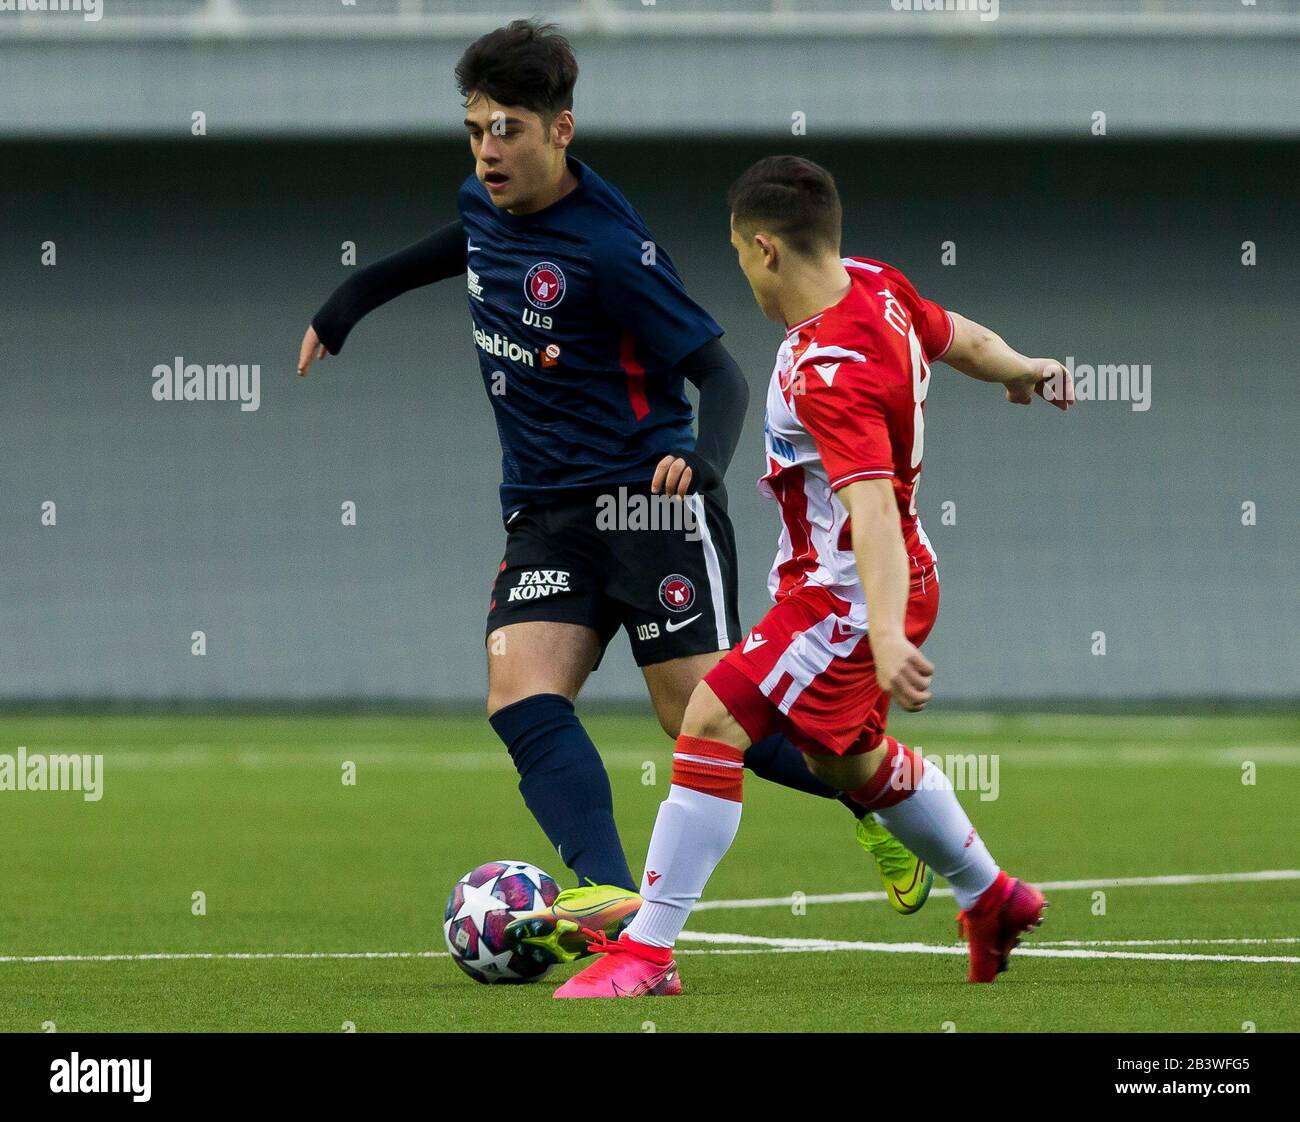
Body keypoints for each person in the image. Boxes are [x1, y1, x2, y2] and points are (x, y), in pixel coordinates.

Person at [297, 24, 931, 969]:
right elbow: (460, 242)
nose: (487, 150)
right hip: (547, 514)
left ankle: (867, 797)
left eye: (507, 129)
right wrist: (346, 304)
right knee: (518, 694)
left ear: (561, 130)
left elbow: (719, 375)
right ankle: (611, 887)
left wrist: (706, 464)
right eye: (474, 128)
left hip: (652, 511)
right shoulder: (486, 201)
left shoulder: (611, 248)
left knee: (701, 719)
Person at [555, 155, 1073, 998]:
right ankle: (993, 896)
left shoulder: (826, 369)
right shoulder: (879, 284)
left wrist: (881, 627)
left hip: (845, 596)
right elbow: (959, 335)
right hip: (872, 580)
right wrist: (1024, 368)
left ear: (764, 249)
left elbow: (868, 507)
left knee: (711, 718)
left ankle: (649, 951)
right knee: (851, 766)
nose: (741, 272)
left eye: (734, 254)